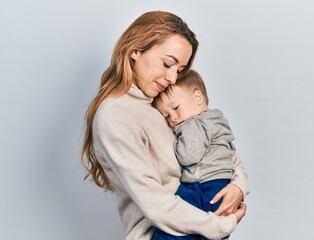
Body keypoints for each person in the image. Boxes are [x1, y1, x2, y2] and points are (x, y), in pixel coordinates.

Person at [81, 10, 249, 240]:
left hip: (200, 227)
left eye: (180, 70)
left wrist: (239, 186)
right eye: (168, 63)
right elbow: (155, 202)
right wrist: (219, 225)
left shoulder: (162, 103)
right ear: (136, 51)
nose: (172, 78)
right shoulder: (115, 115)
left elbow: (219, 147)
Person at [152, 69, 241, 240]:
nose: (173, 119)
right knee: (214, 232)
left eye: (176, 108)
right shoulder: (216, 119)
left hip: (203, 186)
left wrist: (175, 141)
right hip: (220, 185)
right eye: (167, 116)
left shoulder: (195, 123)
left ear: (198, 98)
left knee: (174, 227)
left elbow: (187, 156)